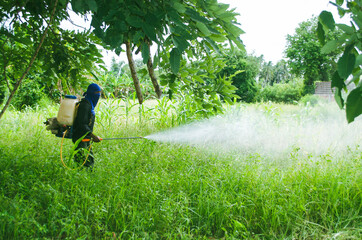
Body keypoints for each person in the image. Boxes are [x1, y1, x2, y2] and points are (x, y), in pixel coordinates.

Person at [72, 83, 102, 169]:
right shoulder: (85, 105)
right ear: (91, 93)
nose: (98, 95)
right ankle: (79, 175)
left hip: (86, 136)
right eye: (97, 93)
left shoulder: (89, 104)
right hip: (80, 137)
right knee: (82, 159)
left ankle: (87, 175)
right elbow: (82, 124)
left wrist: (91, 136)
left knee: (89, 159)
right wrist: (93, 136)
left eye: (99, 93)